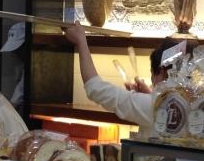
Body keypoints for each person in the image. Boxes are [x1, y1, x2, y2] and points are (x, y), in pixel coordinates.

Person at [63, 25, 191, 128]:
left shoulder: (154, 106)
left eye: (152, 74)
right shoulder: (191, 102)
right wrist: (148, 95)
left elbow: (95, 89)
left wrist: (81, 41)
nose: (152, 82)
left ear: (161, 72)